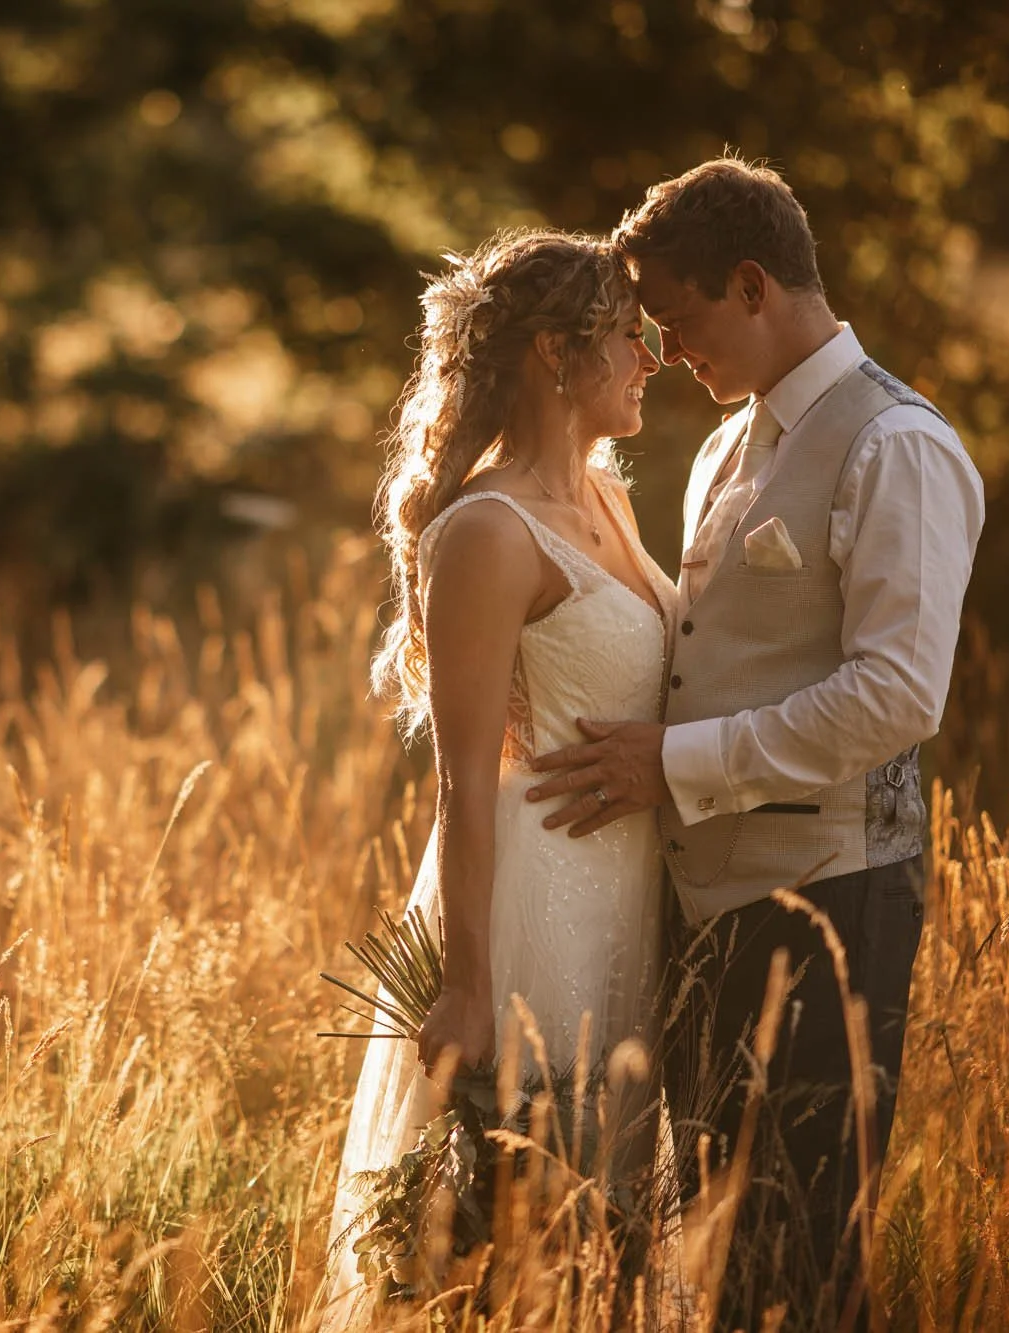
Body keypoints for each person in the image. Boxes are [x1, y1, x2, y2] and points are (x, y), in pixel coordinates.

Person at [523, 155, 986, 1326]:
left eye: (674, 323)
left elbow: (894, 696)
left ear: (749, 286)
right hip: (706, 911)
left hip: (830, 902)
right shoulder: (727, 449)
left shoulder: (897, 445)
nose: (666, 354)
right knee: (722, 1255)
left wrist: (667, 765)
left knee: (798, 1262)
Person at [323, 229, 672, 1323]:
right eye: (628, 335)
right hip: (534, 910)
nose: (649, 360)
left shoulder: (608, 496)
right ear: (553, 353)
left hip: (628, 893)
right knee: (521, 1233)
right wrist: (468, 980)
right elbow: (463, 783)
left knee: (612, 1237)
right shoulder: (485, 531)